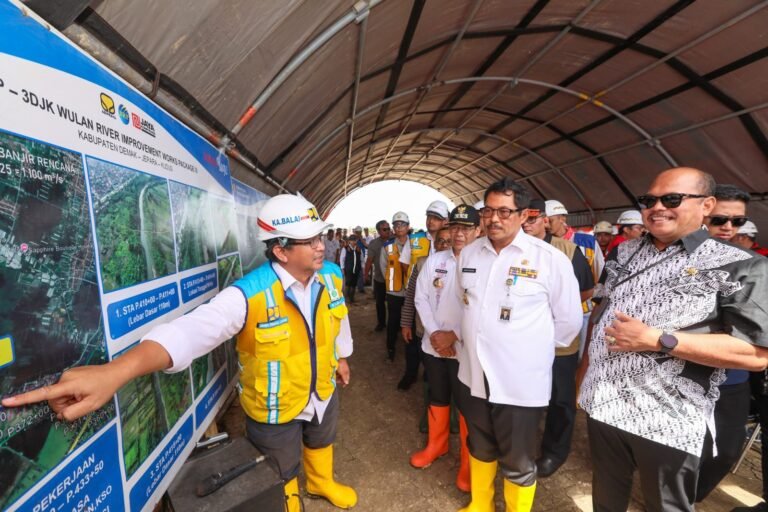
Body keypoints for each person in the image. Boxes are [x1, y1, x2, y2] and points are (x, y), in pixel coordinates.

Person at [2, 193, 358, 511]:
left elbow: (337, 318)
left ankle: (321, 482)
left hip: (322, 390)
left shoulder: (331, 276)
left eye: (319, 237)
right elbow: (190, 332)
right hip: (275, 405)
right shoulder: (248, 295)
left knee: (321, 437)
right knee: (280, 463)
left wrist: (341, 357)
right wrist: (118, 370)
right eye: (310, 240)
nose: (320, 246)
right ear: (280, 250)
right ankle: (289, 500)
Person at [578, 167, 768, 512]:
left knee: (666, 506)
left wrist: (658, 339)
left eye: (672, 199)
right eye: (649, 200)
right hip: (603, 403)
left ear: (706, 205)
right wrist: (583, 378)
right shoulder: (624, 252)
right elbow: (600, 315)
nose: (657, 207)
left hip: (667, 418)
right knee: (605, 499)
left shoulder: (740, 265)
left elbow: (756, 353)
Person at [435, 178, 582, 512]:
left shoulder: (549, 260)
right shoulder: (470, 253)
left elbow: (568, 323)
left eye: (504, 211)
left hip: (519, 381)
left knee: (518, 457)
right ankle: (481, 504)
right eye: (488, 211)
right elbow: (461, 303)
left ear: (524, 215)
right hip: (473, 372)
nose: (494, 219)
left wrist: (523, 349)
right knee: (480, 443)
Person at [408, 205, 480, 492]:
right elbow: (421, 298)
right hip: (434, 345)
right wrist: (436, 333)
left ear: (478, 230)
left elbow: (485, 309)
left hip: (466, 349)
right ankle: (436, 445)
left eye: (466, 228)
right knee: (437, 396)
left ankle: (468, 463)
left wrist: (454, 335)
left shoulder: (486, 263)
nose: (459, 233)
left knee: (466, 405)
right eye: (455, 227)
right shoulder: (436, 260)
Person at [522, 199, 594, 478]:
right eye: (522, 218)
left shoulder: (567, 250)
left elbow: (586, 290)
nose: (526, 224)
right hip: (521, 339)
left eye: (532, 218)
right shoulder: (510, 249)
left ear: (545, 220)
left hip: (559, 339)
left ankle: (554, 452)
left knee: (560, 398)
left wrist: (558, 308)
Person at [697, 183, 753, 501]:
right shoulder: (676, 260)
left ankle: (689, 496)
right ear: (702, 213)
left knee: (727, 450)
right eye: (720, 219)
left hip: (733, 376)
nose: (729, 227)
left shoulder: (752, 265)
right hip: (683, 373)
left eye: (737, 221)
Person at [397, 200, 450, 389]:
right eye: (429, 217)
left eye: (436, 217)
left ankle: (432, 379)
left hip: (446, 320)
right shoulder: (419, 253)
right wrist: (406, 322)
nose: (431, 221)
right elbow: (411, 293)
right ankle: (410, 375)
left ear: (446, 221)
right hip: (420, 314)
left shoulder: (461, 261)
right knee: (413, 346)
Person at [546, 199, 604, 362]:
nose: (546, 224)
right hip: (552, 312)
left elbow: (601, 273)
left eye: (550, 220)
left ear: (562, 218)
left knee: (583, 356)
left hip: (584, 310)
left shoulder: (588, 242)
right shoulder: (542, 243)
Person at [380, 211, 411, 362]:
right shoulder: (387, 247)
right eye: (396, 225)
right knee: (393, 321)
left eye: (402, 224)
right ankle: (391, 349)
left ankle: (411, 349)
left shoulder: (417, 245)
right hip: (394, 292)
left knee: (411, 322)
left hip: (412, 291)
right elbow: (383, 267)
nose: (399, 227)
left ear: (408, 227)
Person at [365, 220, 392, 331]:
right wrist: (366, 274)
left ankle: (394, 324)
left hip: (394, 280)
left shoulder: (395, 240)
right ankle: (381, 323)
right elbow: (369, 260)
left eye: (388, 228)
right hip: (380, 279)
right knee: (380, 303)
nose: (388, 231)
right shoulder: (374, 244)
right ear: (379, 231)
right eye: (385, 229)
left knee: (393, 303)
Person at [340, 234, 363, 303]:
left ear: (357, 241)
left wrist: (362, 267)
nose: (353, 242)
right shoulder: (345, 249)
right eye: (352, 240)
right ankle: (346, 298)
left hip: (356, 269)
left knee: (354, 284)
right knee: (348, 284)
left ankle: (352, 298)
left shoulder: (358, 249)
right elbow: (342, 259)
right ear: (349, 241)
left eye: (354, 240)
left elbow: (362, 259)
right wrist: (342, 268)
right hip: (348, 270)